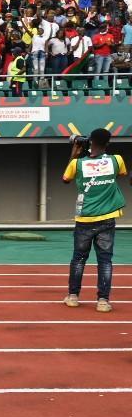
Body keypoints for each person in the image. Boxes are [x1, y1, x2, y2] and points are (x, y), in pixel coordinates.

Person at [63, 129, 127, 313]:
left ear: (89, 142)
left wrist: (75, 154)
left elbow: (66, 179)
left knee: (79, 259)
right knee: (105, 260)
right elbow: (121, 174)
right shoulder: (117, 160)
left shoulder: (77, 163)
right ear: (107, 143)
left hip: (84, 218)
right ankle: (103, 301)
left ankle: (73, 297)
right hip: (107, 219)